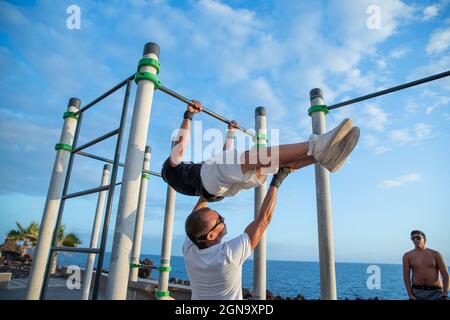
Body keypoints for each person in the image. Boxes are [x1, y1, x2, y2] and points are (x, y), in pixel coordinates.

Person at [161, 100, 360, 202]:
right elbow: (180, 145)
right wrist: (188, 115)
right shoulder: (172, 170)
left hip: (219, 191)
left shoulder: (184, 182)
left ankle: (322, 157)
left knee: (270, 164)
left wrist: (230, 133)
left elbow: (223, 157)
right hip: (209, 181)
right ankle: (317, 145)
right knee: (255, 156)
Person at [183, 167, 292, 299]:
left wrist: (209, 193)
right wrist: (278, 179)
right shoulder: (227, 257)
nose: (223, 219)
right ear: (210, 236)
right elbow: (264, 219)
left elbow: (196, 217)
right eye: (219, 220)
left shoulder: (191, 246)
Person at [402, 230, 449, 300]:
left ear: (424, 239)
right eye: (413, 238)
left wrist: (445, 293)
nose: (415, 240)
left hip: (436, 292)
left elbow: (445, 275)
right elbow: (406, 276)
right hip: (417, 292)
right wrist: (410, 295)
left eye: (418, 237)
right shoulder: (407, 256)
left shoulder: (436, 254)